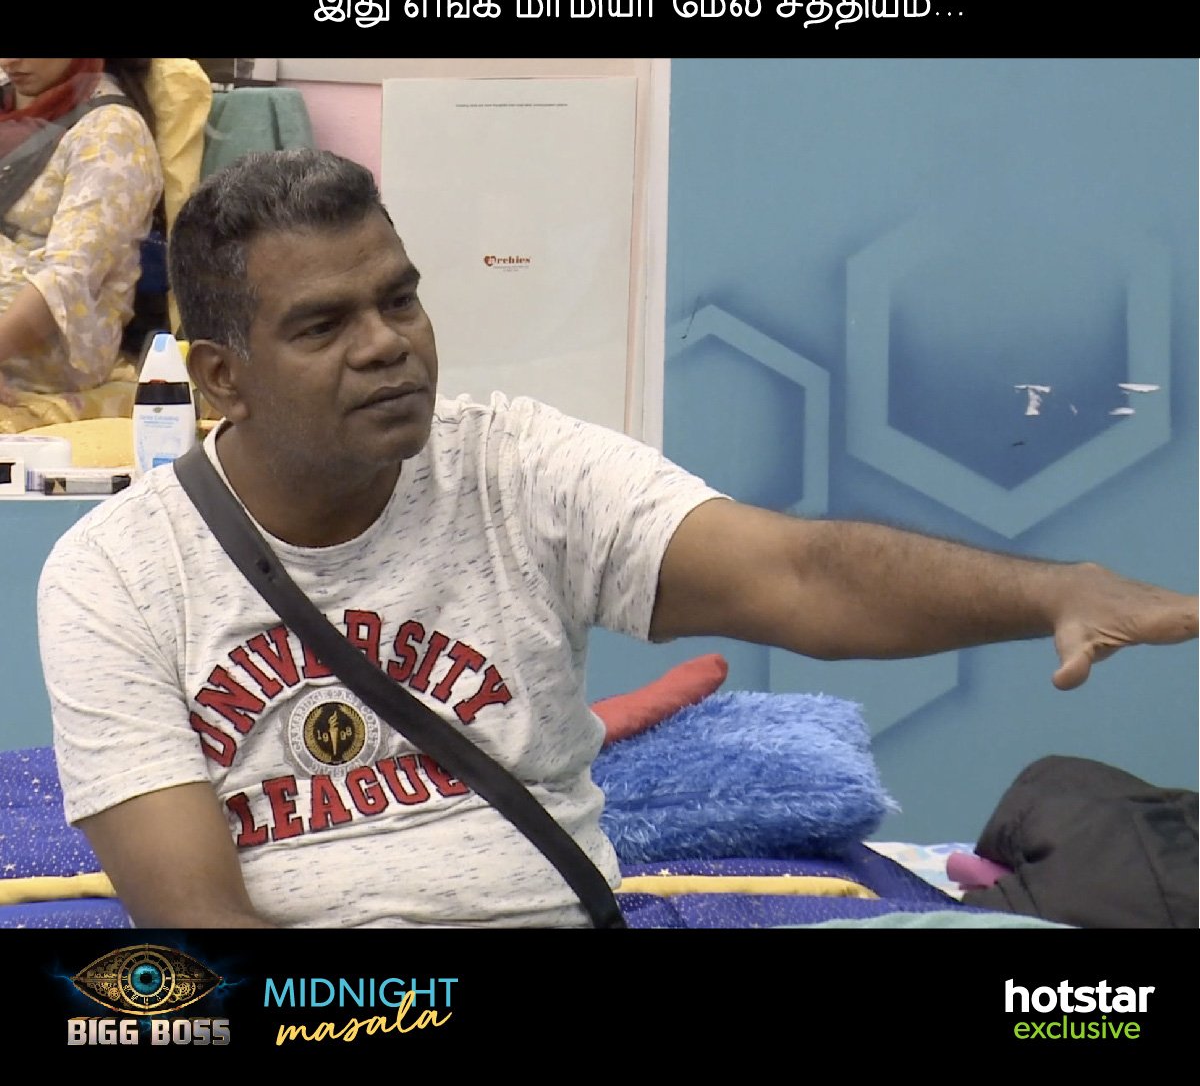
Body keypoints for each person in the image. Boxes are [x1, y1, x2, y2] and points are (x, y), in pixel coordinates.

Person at [37, 149, 1198, 930]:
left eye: (399, 299)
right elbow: (197, 924)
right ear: (222, 376)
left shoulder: (518, 467)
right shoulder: (115, 575)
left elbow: (799, 576)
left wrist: (1053, 589)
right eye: (324, 325)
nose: (388, 344)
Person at [0, 57, 162, 408]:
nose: (9, 60)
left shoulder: (112, 132)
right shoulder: (8, 106)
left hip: (48, 346)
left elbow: (69, 278)